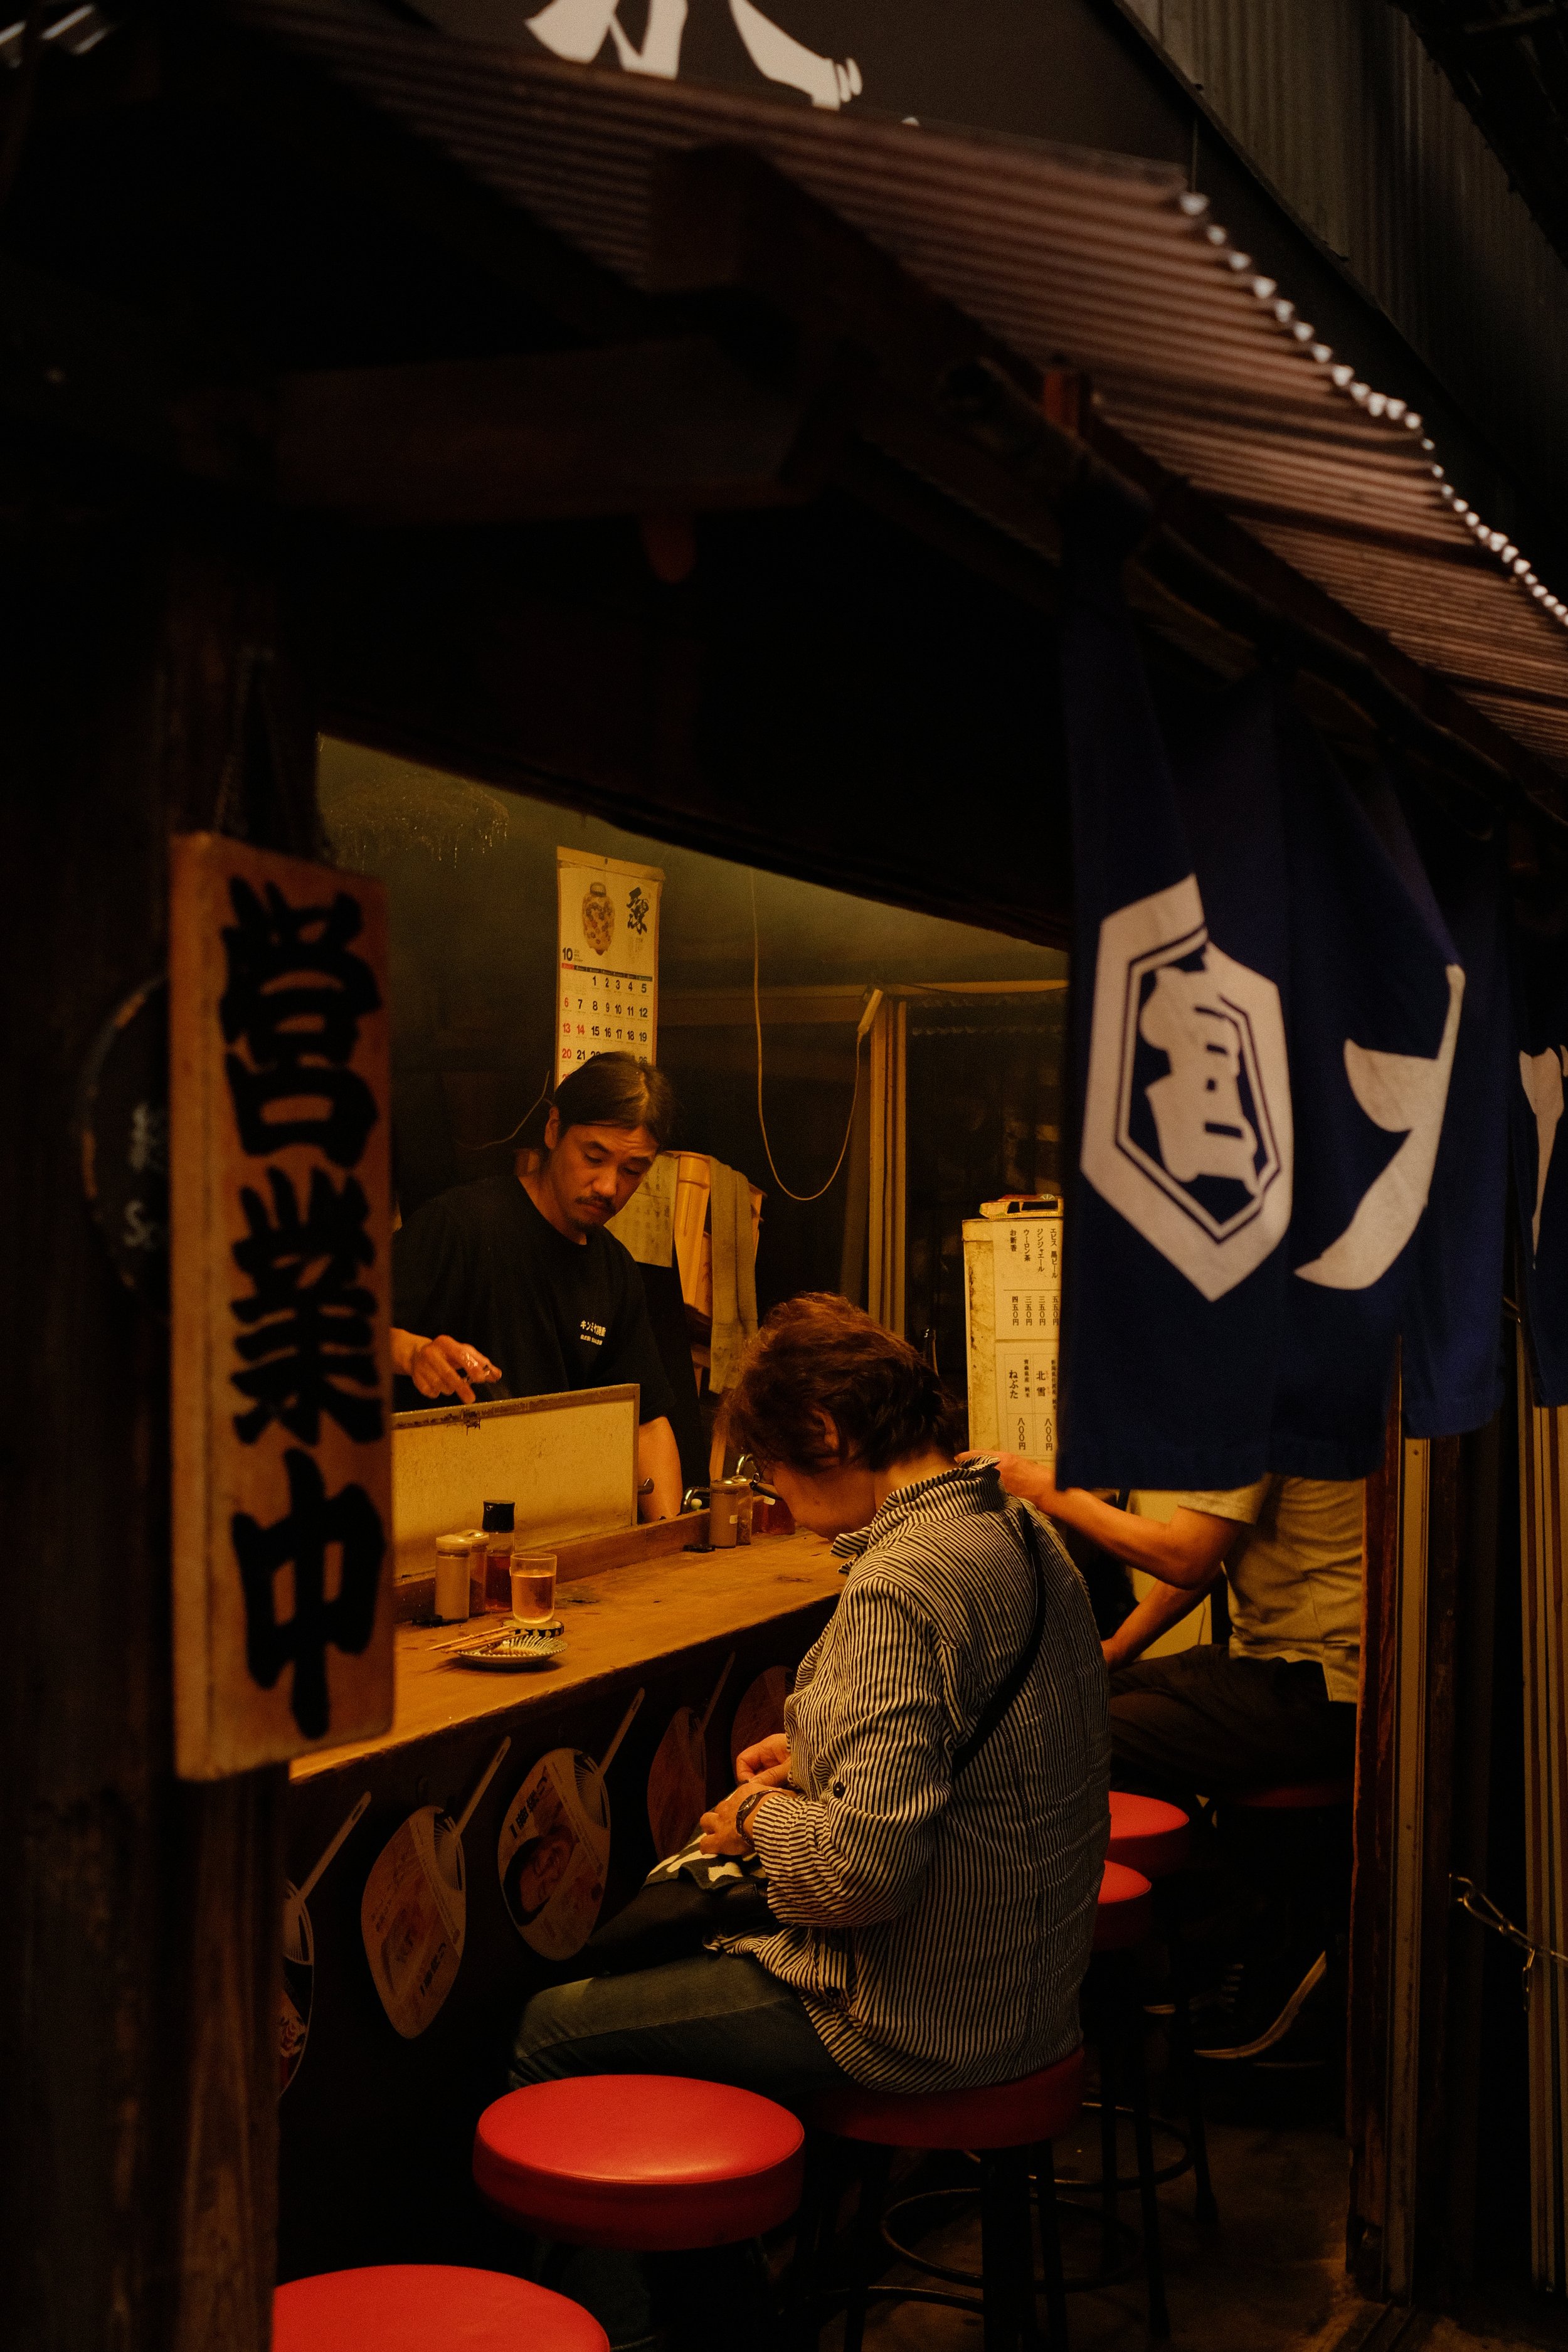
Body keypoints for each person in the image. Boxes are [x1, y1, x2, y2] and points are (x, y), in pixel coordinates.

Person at [510, 1292, 1108, 2104]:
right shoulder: (1018, 1527)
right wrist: (813, 1756)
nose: (781, 1506)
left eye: (770, 1467)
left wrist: (756, 1818)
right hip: (1036, 1986)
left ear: (827, 1432)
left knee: (549, 2026)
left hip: (926, 2018)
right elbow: (987, 1739)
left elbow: (866, 1875)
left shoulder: (900, 1583)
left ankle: (725, 2224)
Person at [981, 1454, 1362, 2058]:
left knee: (1060, 1732)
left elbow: (1184, 1556)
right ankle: (1200, 1936)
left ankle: (1250, 1924)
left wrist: (1048, 1489)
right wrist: (1114, 1652)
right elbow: (1201, 1560)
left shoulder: (1259, 1384)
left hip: (1320, 1684)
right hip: (1272, 1662)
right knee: (1072, 1697)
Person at [390, 1053, 684, 1520]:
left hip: (550, 1526)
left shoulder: (615, 1270)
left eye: (633, 1170)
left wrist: (671, 1547)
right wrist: (412, 1354)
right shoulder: (461, 1226)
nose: (608, 1186)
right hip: (436, 1521)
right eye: (594, 1157)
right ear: (553, 1130)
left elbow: (646, 1423)